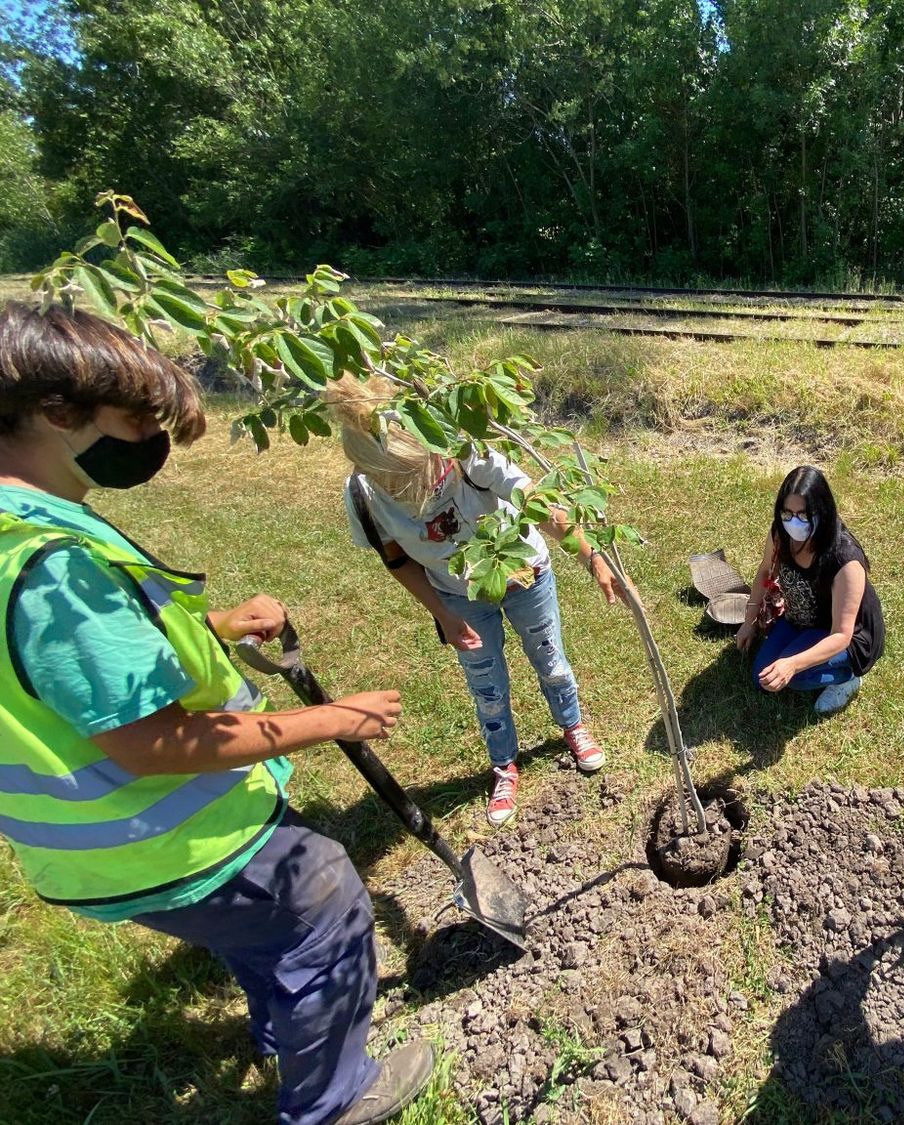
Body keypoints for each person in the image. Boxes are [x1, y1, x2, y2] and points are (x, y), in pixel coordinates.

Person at [0, 302, 430, 1124]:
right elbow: (152, 741)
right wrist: (333, 719)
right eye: (138, 418)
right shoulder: (53, 573)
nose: (150, 438)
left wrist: (217, 628)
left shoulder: (21, 532)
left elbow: (83, 672)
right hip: (151, 835)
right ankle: (335, 1096)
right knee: (326, 893)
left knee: (264, 927)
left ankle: (285, 1027)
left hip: (93, 846)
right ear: (58, 412)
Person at [325, 378, 624, 827]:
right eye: (397, 484)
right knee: (486, 685)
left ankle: (572, 726)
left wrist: (593, 558)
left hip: (525, 575)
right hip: (458, 596)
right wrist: (442, 614)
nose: (413, 491)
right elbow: (397, 560)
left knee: (552, 662)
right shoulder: (363, 495)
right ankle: (504, 764)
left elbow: (537, 503)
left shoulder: (461, 449)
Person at [735, 465, 884, 715]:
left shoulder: (845, 559)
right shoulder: (781, 534)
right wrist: (749, 622)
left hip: (842, 634)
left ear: (822, 512)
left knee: (795, 678)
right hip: (801, 617)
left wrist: (792, 664)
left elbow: (841, 634)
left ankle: (847, 678)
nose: (794, 522)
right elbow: (764, 572)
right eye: (787, 513)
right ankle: (800, 654)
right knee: (762, 675)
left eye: (803, 515)